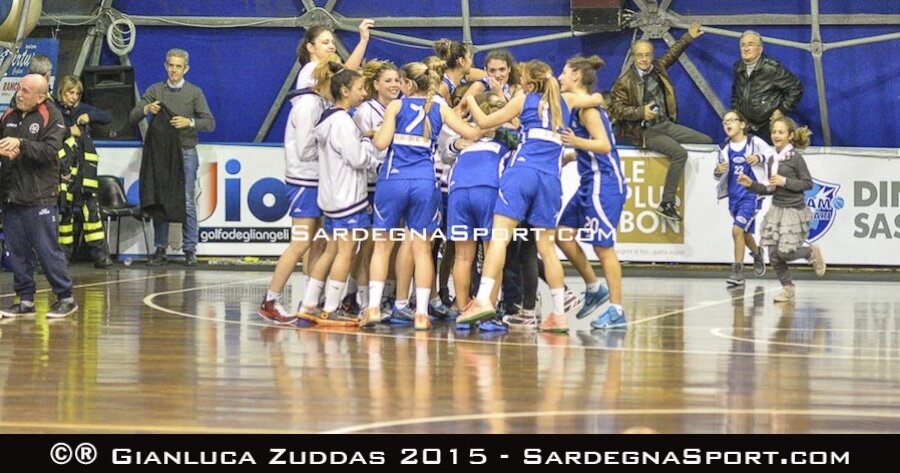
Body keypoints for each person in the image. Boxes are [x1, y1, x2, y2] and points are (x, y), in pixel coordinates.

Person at [458, 60, 603, 333]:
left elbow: (485, 121)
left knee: (499, 239)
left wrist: (472, 101)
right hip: (550, 180)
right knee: (546, 249)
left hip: (522, 172)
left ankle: (483, 300)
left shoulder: (523, 99)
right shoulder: (567, 100)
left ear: (527, 82)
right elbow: (596, 98)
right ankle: (559, 314)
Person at [359, 61, 483, 330]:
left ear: (407, 84)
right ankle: (422, 314)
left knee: (382, 247)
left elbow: (380, 144)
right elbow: (473, 133)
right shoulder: (440, 107)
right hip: (425, 182)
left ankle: (373, 308)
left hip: (393, 180)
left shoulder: (395, 106)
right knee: (422, 250)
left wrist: (374, 134)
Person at [257, 58, 340, 325]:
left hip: (314, 180)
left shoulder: (318, 103)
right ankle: (271, 300)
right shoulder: (308, 105)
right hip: (304, 181)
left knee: (317, 242)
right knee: (301, 242)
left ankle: (309, 301)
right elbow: (305, 148)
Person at [610, 23, 712, 222]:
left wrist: (688, 37)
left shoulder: (657, 67)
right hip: (645, 131)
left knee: (706, 140)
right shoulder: (625, 81)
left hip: (665, 124)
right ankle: (666, 203)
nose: (644, 59)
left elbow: (672, 54)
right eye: (640, 56)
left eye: (648, 55)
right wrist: (641, 112)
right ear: (633, 56)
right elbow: (616, 109)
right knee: (679, 154)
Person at [555, 55, 628, 329]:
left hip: (605, 182)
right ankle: (594, 287)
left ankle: (617, 311)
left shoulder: (588, 111)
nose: (560, 77)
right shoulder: (579, 107)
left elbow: (605, 146)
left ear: (575, 75)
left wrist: (576, 142)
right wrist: (574, 154)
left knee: (603, 248)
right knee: (562, 234)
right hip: (589, 180)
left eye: (563, 72)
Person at [0, 74, 78, 319]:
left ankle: (66, 298)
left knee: (47, 250)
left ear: (41, 96)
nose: (19, 94)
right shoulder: (8, 115)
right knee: (17, 252)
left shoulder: (51, 116)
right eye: (19, 89)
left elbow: (49, 151)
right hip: (11, 195)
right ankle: (25, 300)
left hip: (39, 196)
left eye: (25, 91)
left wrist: (21, 145)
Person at [129, 48, 215, 266]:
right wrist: (147, 108)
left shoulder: (194, 93)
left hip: (186, 151)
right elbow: (133, 115)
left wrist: (190, 122)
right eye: (171, 65)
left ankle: (190, 249)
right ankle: (160, 248)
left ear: (186, 69)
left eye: (178, 66)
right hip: (161, 154)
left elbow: (209, 123)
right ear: (165, 66)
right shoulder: (155, 90)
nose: (174, 70)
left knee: (186, 199)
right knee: (161, 199)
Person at [737, 117, 825, 302]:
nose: (776, 135)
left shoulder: (795, 158)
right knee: (774, 256)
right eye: (774, 132)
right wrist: (751, 184)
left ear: (790, 136)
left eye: (781, 132)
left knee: (785, 252)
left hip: (793, 210)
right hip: (777, 209)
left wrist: (785, 181)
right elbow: (770, 188)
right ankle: (787, 288)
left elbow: (807, 183)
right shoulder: (772, 160)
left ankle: (810, 252)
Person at [54, 74, 114, 268]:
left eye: (77, 94)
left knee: (92, 214)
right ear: (61, 92)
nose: (74, 97)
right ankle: (63, 257)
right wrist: (67, 131)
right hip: (63, 170)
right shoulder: (53, 110)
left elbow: (108, 116)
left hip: (85, 173)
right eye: (70, 93)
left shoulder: (82, 109)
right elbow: (47, 132)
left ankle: (101, 256)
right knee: (65, 213)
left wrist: (90, 116)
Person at [713, 110, 772, 287]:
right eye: (725, 122)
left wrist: (759, 157)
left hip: (752, 195)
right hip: (734, 197)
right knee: (744, 233)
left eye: (732, 120)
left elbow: (771, 154)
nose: (728, 124)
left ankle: (738, 271)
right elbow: (718, 175)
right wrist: (717, 172)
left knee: (737, 230)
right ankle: (757, 253)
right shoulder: (723, 149)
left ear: (742, 124)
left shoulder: (754, 143)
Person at [731, 31, 803, 142]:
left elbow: (796, 88)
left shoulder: (772, 68)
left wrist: (781, 110)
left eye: (750, 44)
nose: (746, 49)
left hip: (768, 128)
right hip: (746, 128)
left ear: (760, 49)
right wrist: (736, 113)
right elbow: (736, 93)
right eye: (743, 45)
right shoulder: (738, 67)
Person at [296, 20, 374, 90]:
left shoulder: (323, 69)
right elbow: (345, 76)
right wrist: (363, 40)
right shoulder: (311, 69)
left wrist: (364, 40)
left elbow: (346, 74)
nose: (332, 46)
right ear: (311, 47)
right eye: (325, 43)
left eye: (333, 42)